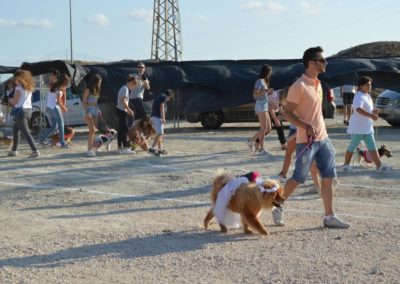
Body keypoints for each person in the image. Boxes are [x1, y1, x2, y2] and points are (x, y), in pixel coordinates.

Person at [272, 46, 350, 229]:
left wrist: (317, 128)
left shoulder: (318, 84)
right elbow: (287, 113)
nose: (325, 63)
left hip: (323, 139)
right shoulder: (298, 86)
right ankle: (277, 205)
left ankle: (329, 217)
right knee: (298, 178)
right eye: (322, 60)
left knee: (329, 177)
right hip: (306, 141)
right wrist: (305, 126)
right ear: (311, 63)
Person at [342, 76, 389, 172]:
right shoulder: (358, 96)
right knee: (352, 147)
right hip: (358, 128)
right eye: (367, 85)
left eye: (370, 85)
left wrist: (374, 112)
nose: (369, 87)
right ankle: (346, 165)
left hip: (367, 128)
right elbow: (358, 109)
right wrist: (371, 116)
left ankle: (379, 166)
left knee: (373, 147)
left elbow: (369, 110)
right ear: (360, 86)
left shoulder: (367, 96)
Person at [7, 70, 40, 158]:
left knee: (25, 132)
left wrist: (9, 100)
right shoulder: (28, 87)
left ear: (19, 78)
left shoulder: (18, 88)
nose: (14, 80)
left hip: (20, 112)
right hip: (28, 110)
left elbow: (14, 102)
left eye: (15, 78)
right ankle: (14, 150)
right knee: (15, 131)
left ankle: (35, 150)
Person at [39, 71, 70, 148]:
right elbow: (59, 101)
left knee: (53, 127)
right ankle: (62, 143)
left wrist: (62, 107)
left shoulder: (55, 86)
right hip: (54, 107)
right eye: (67, 82)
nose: (67, 84)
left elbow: (60, 99)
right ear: (64, 81)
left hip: (50, 107)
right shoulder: (59, 88)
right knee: (61, 125)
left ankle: (42, 139)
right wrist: (64, 108)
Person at [247, 64, 273, 154]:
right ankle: (251, 140)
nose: (270, 74)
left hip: (265, 105)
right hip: (261, 106)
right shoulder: (259, 81)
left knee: (268, 128)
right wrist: (265, 91)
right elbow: (255, 95)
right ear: (266, 72)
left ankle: (260, 147)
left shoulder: (264, 82)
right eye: (270, 72)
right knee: (264, 128)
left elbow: (262, 94)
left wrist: (267, 93)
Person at [149, 89, 174, 156]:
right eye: (170, 98)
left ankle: (160, 149)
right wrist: (163, 118)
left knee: (159, 134)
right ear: (169, 96)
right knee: (160, 133)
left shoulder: (159, 96)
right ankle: (152, 148)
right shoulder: (163, 96)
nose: (169, 100)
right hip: (157, 117)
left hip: (154, 117)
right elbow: (161, 106)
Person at [82, 74, 102, 157]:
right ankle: (89, 149)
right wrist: (87, 112)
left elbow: (97, 101)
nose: (100, 84)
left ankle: (93, 147)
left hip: (95, 110)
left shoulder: (97, 89)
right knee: (92, 130)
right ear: (95, 82)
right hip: (89, 111)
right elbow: (84, 102)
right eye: (99, 82)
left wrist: (99, 110)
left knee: (95, 129)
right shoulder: (88, 90)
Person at [116, 75, 137, 153]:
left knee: (121, 129)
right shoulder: (125, 89)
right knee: (124, 129)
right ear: (131, 83)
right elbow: (123, 101)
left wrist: (127, 110)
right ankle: (124, 146)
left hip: (120, 110)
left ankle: (119, 146)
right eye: (134, 85)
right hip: (121, 111)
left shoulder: (123, 88)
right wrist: (129, 110)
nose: (134, 88)